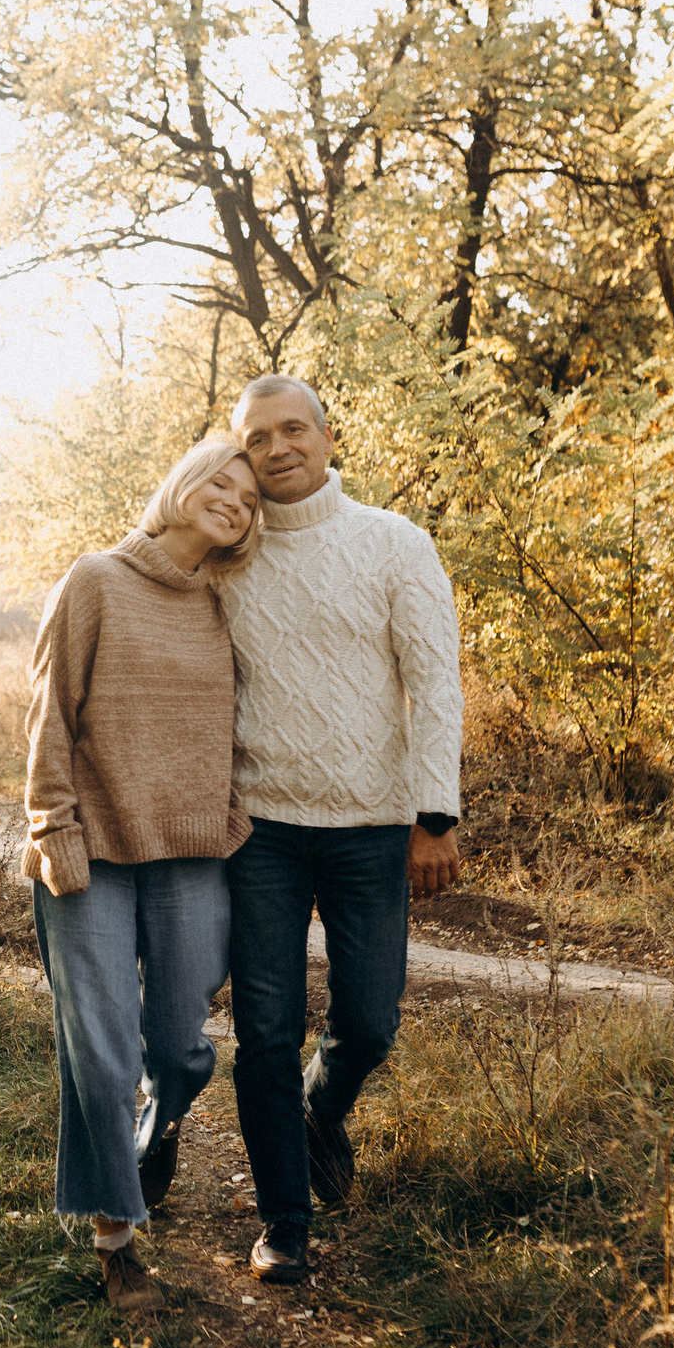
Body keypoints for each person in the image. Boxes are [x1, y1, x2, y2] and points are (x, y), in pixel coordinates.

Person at [220, 375, 463, 1286]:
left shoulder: (394, 542)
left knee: (368, 1020)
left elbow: (434, 680)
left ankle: (325, 1107)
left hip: (372, 825)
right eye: (257, 439)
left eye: (294, 430)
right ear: (240, 454)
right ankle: (284, 1223)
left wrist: (434, 815)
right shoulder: (228, 556)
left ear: (327, 435)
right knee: (265, 1031)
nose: (278, 448)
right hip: (263, 830)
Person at [22, 437, 262, 1315]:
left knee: (184, 1048)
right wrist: (52, 826)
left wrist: (232, 812)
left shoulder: (226, 603)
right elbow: (48, 711)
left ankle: (152, 1135)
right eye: (219, 481)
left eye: (248, 498)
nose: (233, 500)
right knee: (104, 1046)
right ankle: (117, 1239)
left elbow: (245, 724)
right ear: (180, 484)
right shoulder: (94, 579)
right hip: (90, 848)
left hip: (192, 848)